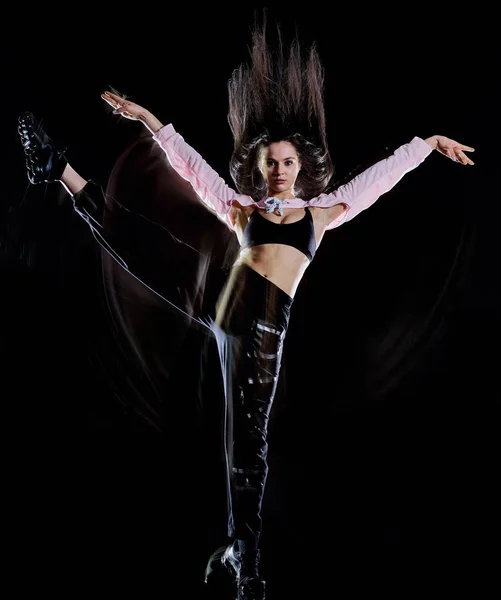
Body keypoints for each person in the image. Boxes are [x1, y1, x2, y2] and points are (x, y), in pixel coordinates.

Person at [17, 16, 475, 600]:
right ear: (259, 169)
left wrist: (425, 146)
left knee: (247, 445)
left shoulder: (324, 213)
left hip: (259, 331)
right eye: (271, 163)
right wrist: (151, 121)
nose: (279, 171)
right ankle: (57, 168)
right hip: (220, 295)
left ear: (300, 170)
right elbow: (192, 170)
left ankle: (247, 562)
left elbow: (377, 181)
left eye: (287, 163)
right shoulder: (239, 208)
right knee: (143, 246)